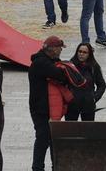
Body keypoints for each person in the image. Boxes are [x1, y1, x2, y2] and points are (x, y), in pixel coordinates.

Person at [28, 36, 70, 171]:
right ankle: (37, 168)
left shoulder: (49, 61)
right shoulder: (41, 63)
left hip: (48, 108)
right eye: (59, 48)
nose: (60, 51)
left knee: (51, 139)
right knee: (42, 138)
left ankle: (55, 166)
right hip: (40, 109)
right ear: (52, 49)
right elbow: (61, 75)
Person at [65, 43, 106, 122]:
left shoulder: (94, 66)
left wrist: (94, 98)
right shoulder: (70, 66)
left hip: (88, 105)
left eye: (84, 52)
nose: (81, 54)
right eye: (80, 51)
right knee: (70, 130)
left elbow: (102, 85)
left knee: (88, 130)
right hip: (72, 105)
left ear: (89, 54)